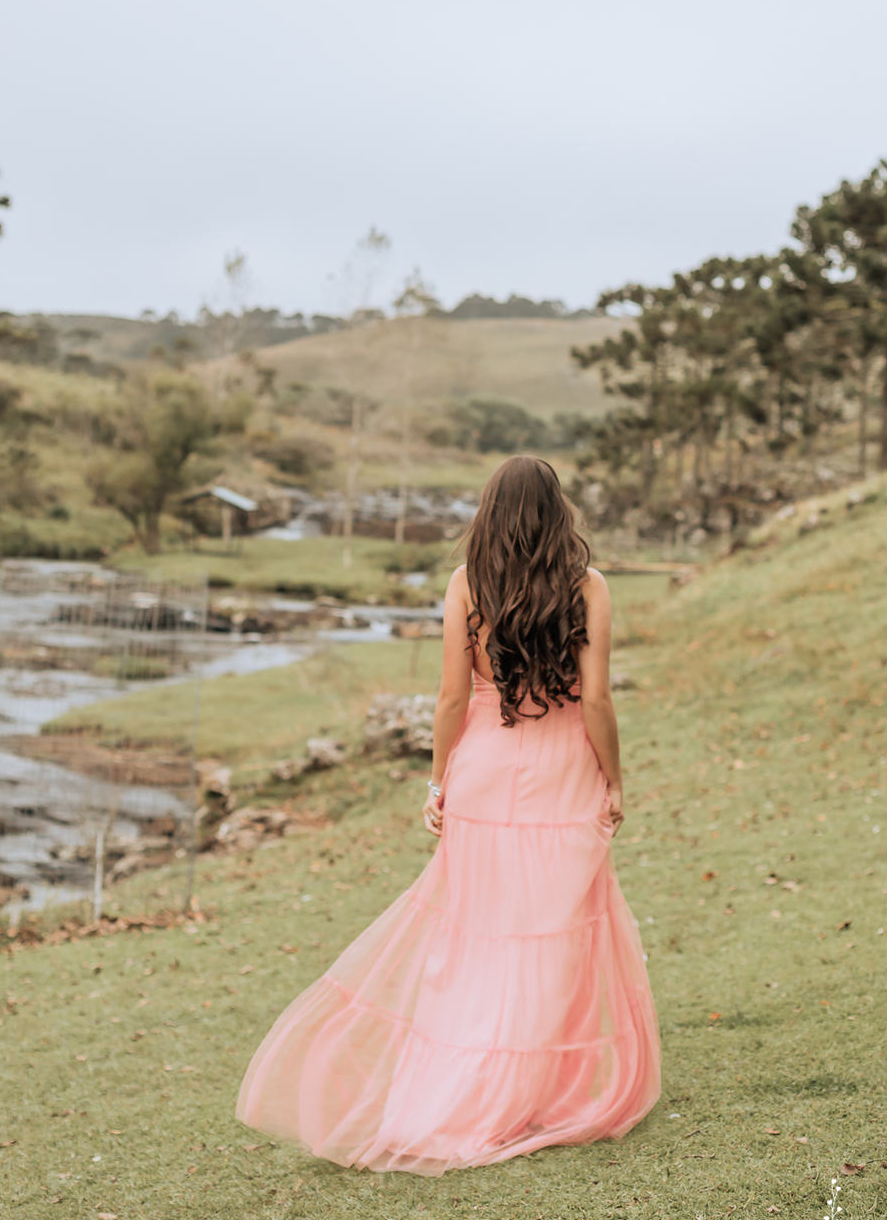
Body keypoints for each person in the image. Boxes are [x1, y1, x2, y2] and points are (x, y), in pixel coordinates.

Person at [236, 455, 661, 1175]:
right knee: (550, 938)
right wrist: (615, 780)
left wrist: (438, 785)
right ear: (558, 512)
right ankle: (513, 1095)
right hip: (564, 773)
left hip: (484, 773)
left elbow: (451, 700)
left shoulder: (468, 585)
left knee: (477, 938)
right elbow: (596, 700)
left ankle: (471, 1095)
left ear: (490, 512)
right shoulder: (589, 588)